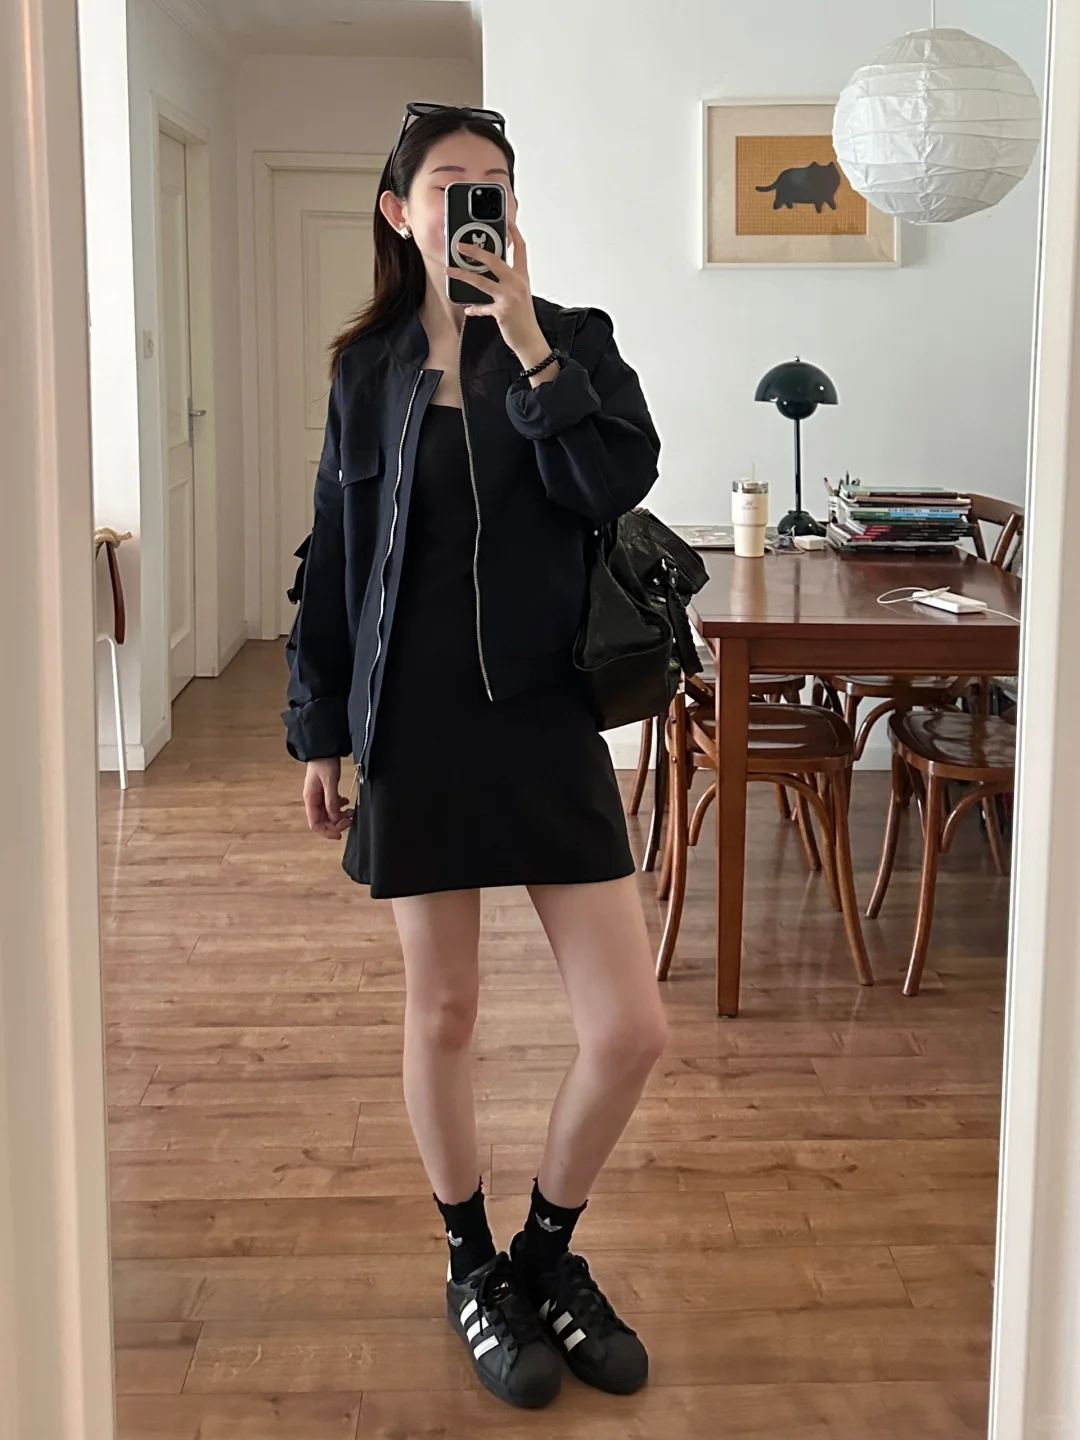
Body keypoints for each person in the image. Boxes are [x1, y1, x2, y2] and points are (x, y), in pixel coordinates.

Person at [283, 103, 668, 1412]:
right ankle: (470, 1264)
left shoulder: (573, 340)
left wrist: (530, 349)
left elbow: (611, 486)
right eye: (449, 184)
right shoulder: (367, 370)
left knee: (629, 1029)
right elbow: (336, 557)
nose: (473, 203)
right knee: (443, 1012)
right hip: (416, 726)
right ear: (400, 212)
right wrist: (319, 726)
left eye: (492, 183)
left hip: (548, 720)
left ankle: (545, 1254)